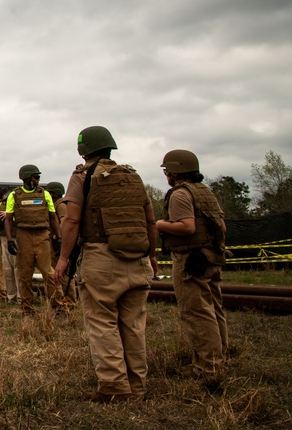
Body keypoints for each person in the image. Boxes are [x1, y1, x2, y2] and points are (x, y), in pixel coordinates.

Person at [54, 126, 158, 403]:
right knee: (134, 325)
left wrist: (64, 259)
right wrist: (153, 256)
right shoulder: (132, 176)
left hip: (101, 259)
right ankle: (137, 385)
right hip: (138, 259)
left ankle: (114, 387)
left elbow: (72, 220)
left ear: (82, 149)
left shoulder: (82, 176)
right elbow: (149, 220)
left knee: (103, 324)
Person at [156, 149, 229, 378]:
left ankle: (208, 367)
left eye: (167, 170)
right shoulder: (203, 191)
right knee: (214, 309)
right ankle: (220, 358)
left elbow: (187, 227)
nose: (166, 174)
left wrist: (159, 224)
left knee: (196, 313)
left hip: (190, 259)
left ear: (175, 171)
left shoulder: (179, 194)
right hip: (209, 256)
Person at [4, 164, 62, 315]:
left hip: (42, 235)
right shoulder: (14, 195)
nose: (37, 180)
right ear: (26, 178)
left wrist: (59, 237)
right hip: (23, 236)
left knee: (48, 272)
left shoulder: (44, 194)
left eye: (38, 177)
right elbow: (8, 220)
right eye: (35, 177)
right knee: (25, 274)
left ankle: (58, 306)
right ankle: (27, 308)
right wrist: (10, 240)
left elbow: (53, 217)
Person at [47, 181, 76, 306]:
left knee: (62, 273)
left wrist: (57, 236)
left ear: (53, 193)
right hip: (56, 242)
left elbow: (64, 221)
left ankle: (70, 301)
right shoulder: (56, 204)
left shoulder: (61, 205)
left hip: (59, 243)